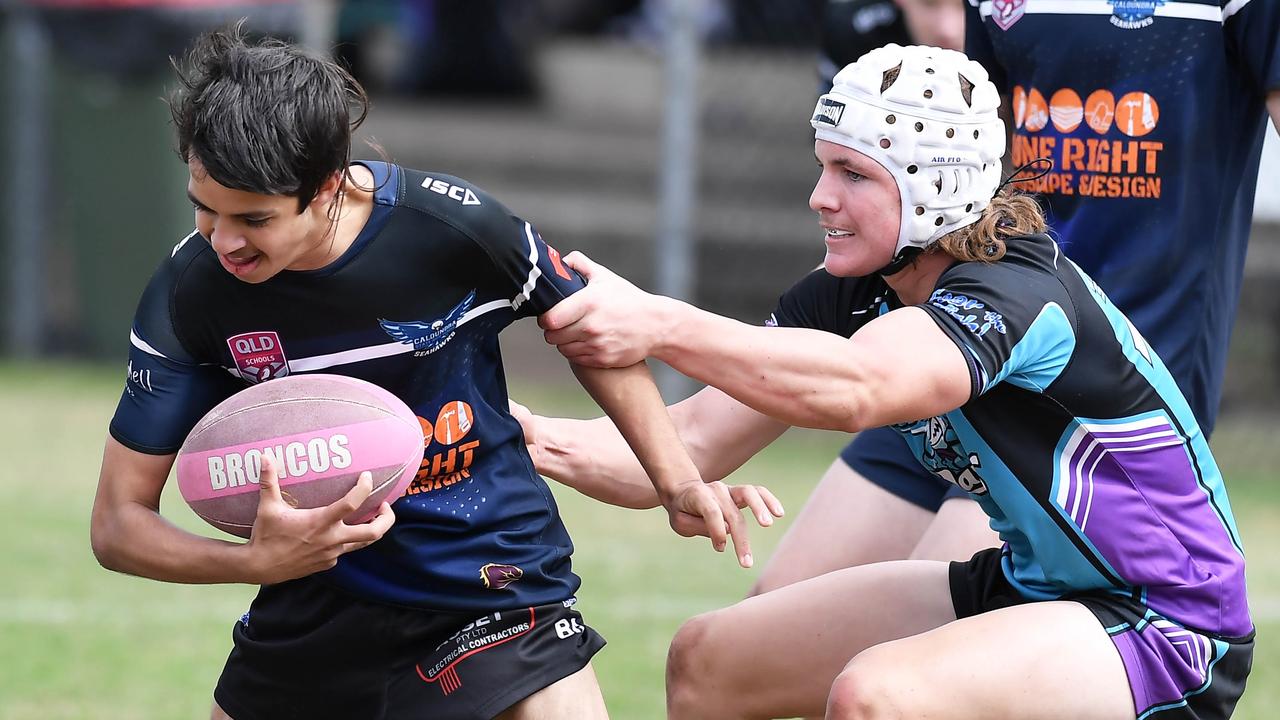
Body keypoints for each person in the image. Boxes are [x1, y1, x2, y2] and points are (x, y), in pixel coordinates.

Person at [520, 44, 1253, 718]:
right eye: (823, 166)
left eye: (854, 175)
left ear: (936, 186)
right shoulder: (855, 287)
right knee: (709, 661)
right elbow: (687, 443)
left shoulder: (1016, 291)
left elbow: (859, 387)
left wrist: (658, 322)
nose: (819, 197)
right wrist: (507, 434)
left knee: (879, 697)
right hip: (1039, 586)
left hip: (1169, 620)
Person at [88, 25, 769, 720]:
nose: (223, 240)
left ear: (326, 188)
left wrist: (676, 479)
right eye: (205, 210)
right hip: (316, 597)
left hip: (488, 574)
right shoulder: (190, 292)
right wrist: (255, 563)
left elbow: (594, 337)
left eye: (254, 219)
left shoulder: (452, 228)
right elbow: (117, 525)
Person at [743, 0, 1280, 601]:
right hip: (956, 341)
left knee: (914, 656)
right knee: (778, 606)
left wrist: (661, 323)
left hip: (1095, 394)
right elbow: (955, 154)